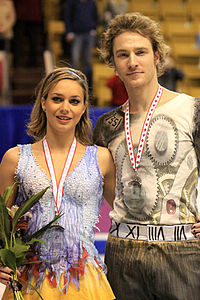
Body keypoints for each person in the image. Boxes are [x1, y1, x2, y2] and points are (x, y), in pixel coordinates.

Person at [93, 12, 200, 300]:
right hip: (123, 251)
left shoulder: (191, 110)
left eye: (140, 52)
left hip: (183, 251)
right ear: (113, 64)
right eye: (122, 54)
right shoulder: (107, 125)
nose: (132, 61)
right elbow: (109, 186)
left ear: (157, 56)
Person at [0, 67, 116, 299]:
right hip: (30, 282)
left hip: (86, 282)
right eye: (57, 99)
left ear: (84, 108)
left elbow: (130, 212)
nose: (65, 108)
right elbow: (2, 222)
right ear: (43, 102)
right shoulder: (15, 158)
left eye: (74, 101)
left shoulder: (102, 158)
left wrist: (185, 220)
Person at [64, 0, 98, 89]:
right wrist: (69, 31)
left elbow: (96, 16)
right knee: (74, 59)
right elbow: (67, 17)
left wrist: (94, 29)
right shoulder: (72, 3)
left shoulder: (92, 3)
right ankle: (72, 84)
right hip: (76, 34)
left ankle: (86, 86)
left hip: (89, 33)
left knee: (87, 61)